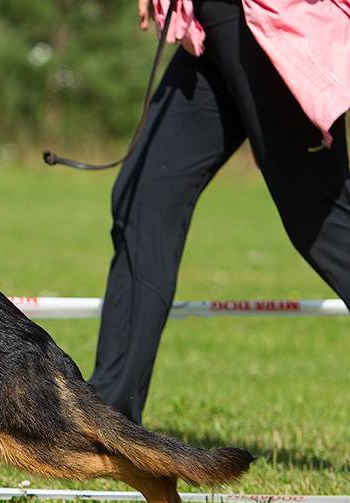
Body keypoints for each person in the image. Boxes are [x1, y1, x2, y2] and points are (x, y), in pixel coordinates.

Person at [88, 0, 350, 424]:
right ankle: (106, 422)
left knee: (323, 226)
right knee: (144, 198)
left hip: (270, 23)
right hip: (212, 28)